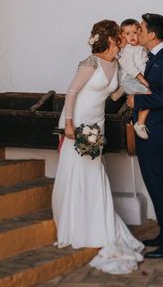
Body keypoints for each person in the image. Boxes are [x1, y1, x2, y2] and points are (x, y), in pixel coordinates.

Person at [52, 19, 144, 274]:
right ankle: (78, 224)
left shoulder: (115, 64)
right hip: (78, 120)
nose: (125, 39)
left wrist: (137, 89)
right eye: (121, 36)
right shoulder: (90, 62)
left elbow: (112, 95)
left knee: (95, 171)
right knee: (80, 169)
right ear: (113, 39)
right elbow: (71, 93)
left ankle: (97, 224)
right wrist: (69, 124)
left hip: (97, 121)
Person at [127, 13, 163, 259]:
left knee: (161, 185)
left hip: (156, 131)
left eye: (140, 29)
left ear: (152, 34)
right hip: (146, 131)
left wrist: (136, 100)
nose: (137, 33)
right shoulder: (151, 58)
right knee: (153, 184)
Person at [112, 18, 152, 139]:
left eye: (135, 32)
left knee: (147, 95)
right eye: (128, 34)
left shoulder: (141, 47)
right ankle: (140, 124)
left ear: (139, 32)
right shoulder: (128, 50)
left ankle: (121, 90)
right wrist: (142, 79)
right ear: (123, 36)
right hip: (131, 78)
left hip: (132, 80)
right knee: (150, 95)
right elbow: (129, 67)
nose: (132, 36)